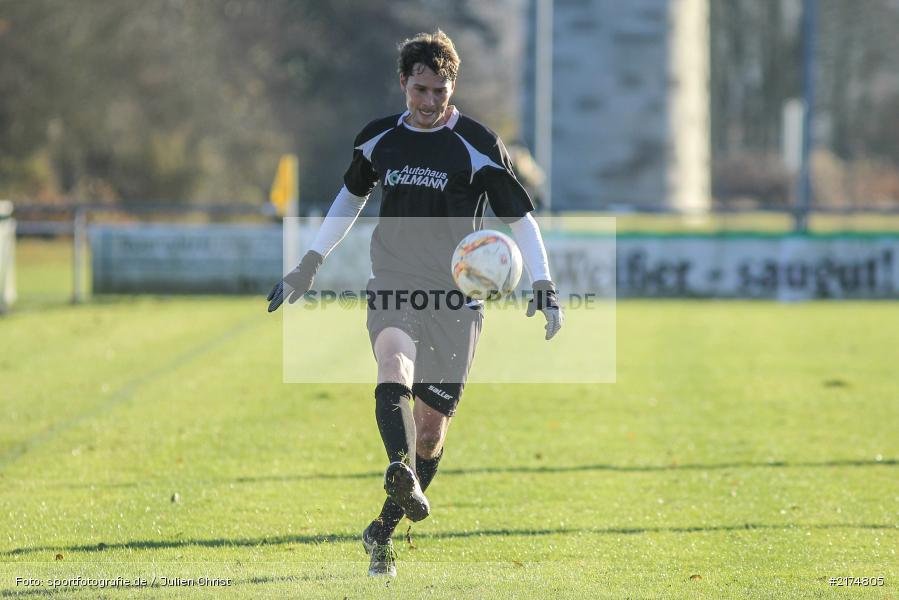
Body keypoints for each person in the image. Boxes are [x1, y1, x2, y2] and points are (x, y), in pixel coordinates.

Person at [266, 30, 563, 578]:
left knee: (431, 433)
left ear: (453, 88)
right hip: (394, 280)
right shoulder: (379, 139)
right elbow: (350, 198)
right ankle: (398, 469)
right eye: (420, 90)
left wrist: (543, 282)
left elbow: (520, 218)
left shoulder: (477, 144)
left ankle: (381, 531)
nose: (429, 102)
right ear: (403, 83)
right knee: (393, 362)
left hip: (458, 296)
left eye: (440, 92)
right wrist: (309, 263)